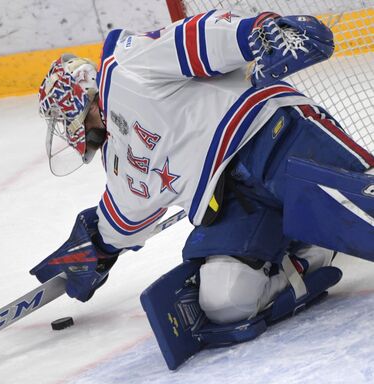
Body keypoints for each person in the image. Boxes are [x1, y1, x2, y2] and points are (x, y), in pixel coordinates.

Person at [30, 9, 374, 366]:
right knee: (225, 301)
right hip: (234, 206)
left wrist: (255, 34)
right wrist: (92, 249)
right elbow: (121, 222)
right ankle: (311, 249)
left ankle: (326, 223)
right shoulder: (116, 165)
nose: (66, 130)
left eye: (62, 118)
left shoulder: (125, 65)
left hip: (270, 142)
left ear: (76, 96)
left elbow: (194, 40)